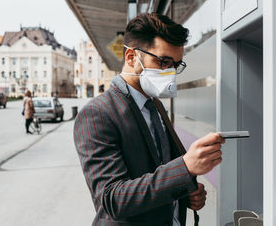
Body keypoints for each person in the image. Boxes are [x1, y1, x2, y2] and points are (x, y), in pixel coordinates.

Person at [73, 13, 225, 226]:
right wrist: (185, 168)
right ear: (131, 57)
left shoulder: (155, 105)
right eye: (163, 61)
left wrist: (185, 193)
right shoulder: (98, 113)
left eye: (176, 64)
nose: (170, 71)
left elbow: (160, 171)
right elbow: (113, 200)